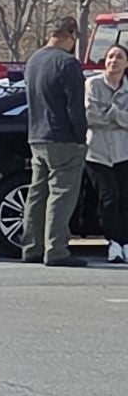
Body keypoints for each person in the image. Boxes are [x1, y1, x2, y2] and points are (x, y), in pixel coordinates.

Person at [22, 16, 90, 267]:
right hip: (63, 137)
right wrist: (81, 138)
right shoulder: (68, 63)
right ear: (71, 35)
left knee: (37, 193)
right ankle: (56, 249)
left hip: (37, 135)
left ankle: (31, 247)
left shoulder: (34, 60)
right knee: (61, 194)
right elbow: (75, 107)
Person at [85, 43, 128, 263]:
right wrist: (119, 117)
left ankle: (124, 243)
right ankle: (113, 242)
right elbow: (91, 117)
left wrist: (111, 113)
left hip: (123, 152)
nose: (113, 60)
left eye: (119, 57)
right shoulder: (93, 84)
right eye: (110, 56)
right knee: (109, 197)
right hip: (97, 153)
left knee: (124, 199)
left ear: (126, 63)